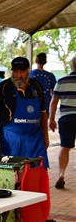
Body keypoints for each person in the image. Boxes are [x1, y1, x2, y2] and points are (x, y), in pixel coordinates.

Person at [0, 57, 49, 168]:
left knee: (40, 170)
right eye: (15, 71)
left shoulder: (37, 86)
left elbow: (43, 113)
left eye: (22, 71)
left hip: (35, 139)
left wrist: (46, 136)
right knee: (14, 174)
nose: (19, 75)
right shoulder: (2, 88)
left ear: (28, 70)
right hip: (12, 140)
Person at [49, 56, 76, 189]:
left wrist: (51, 119)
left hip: (66, 117)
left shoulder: (62, 81)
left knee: (65, 147)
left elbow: (53, 102)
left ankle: (61, 174)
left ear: (71, 66)